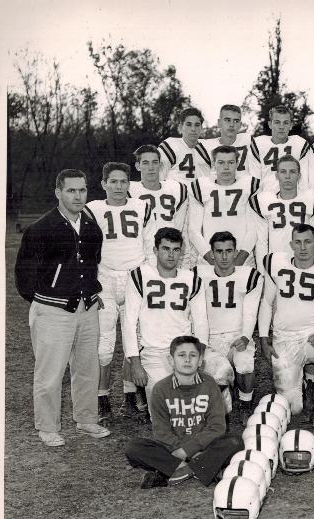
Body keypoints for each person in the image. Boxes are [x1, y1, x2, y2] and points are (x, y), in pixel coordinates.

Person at [14, 168, 111, 446]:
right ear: (58, 193)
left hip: (87, 307)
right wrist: (48, 301)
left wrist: (89, 291)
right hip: (53, 310)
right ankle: (47, 426)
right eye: (71, 190)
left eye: (82, 190)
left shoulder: (91, 226)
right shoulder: (41, 228)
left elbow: (92, 262)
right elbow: (24, 278)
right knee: (50, 372)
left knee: (87, 368)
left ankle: (86, 419)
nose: (78, 195)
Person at [125, 335, 242, 489]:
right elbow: (161, 431)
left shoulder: (210, 384)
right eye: (181, 355)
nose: (187, 360)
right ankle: (204, 468)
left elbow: (217, 427)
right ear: (171, 360)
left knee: (235, 442)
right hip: (174, 448)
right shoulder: (160, 389)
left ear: (200, 361)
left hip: (204, 446)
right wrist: (184, 451)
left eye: (193, 355)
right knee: (133, 447)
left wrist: (188, 450)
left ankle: (176, 470)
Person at [86, 162, 154, 420]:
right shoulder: (93, 209)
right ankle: (102, 395)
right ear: (103, 184)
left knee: (134, 342)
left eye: (123, 181)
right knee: (104, 345)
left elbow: (149, 246)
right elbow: (86, 248)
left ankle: (131, 390)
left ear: (130, 184)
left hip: (133, 280)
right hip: (104, 279)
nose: (118, 187)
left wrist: (146, 279)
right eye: (112, 181)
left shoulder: (141, 206)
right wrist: (91, 282)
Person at [258, 224, 314, 424]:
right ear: (291, 244)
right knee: (293, 409)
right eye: (298, 242)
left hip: (311, 335)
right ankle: (306, 382)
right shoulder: (276, 263)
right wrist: (263, 338)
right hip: (284, 338)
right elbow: (266, 302)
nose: (303, 247)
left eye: (308, 242)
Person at [123, 227, 210, 405]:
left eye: (176, 250)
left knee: (221, 375)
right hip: (153, 352)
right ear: (155, 250)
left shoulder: (192, 279)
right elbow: (129, 322)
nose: (171, 255)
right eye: (166, 249)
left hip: (184, 351)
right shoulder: (139, 275)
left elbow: (201, 321)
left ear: (182, 252)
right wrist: (135, 363)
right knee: (167, 402)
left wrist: (200, 355)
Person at [198, 231, 264, 419]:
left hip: (237, 334)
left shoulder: (249, 276)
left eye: (229, 251)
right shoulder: (197, 274)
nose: (224, 256)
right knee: (221, 374)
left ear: (236, 252)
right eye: (219, 252)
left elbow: (250, 311)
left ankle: (245, 403)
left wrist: (245, 336)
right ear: (211, 254)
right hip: (210, 338)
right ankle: (224, 392)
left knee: (245, 365)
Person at [249, 154, 314, 274]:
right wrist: (263, 273)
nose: (288, 176)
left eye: (292, 172)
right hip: (276, 263)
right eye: (283, 172)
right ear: (277, 175)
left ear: (299, 176)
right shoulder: (264, 201)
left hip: (305, 264)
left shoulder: (312, 199)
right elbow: (261, 242)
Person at [188, 145, 258, 267]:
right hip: (210, 260)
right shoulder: (201, 188)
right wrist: (212, 260)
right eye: (221, 162)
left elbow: (253, 230)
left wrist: (239, 260)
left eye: (231, 162)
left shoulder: (249, 186)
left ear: (237, 164)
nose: (226, 167)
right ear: (214, 164)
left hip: (242, 260)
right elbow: (194, 230)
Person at [128, 145, 190, 264]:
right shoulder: (130, 190)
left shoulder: (176, 189)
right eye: (145, 163)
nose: (151, 167)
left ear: (160, 165)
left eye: (155, 162)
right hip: (142, 254)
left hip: (170, 252)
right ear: (138, 166)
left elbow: (180, 225)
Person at [249, 105, 311, 193]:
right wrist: (258, 200)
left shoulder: (300, 144)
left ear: (290, 125)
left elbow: (304, 179)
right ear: (270, 124)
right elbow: (254, 178)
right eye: (277, 122)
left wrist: (301, 199)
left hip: (293, 197)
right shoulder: (258, 144)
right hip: (266, 197)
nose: (281, 127)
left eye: (285, 123)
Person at [158, 107, 212, 184]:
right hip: (177, 194)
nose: (193, 129)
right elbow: (158, 178)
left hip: (203, 194)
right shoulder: (171, 146)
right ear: (180, 127)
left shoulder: (209, 147)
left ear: (201, 128)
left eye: (197, 125)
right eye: (188, 124)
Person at [201, 104, 253, 177]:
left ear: (240, 125)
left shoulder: (248, 140)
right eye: (227, 120)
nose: (231, 124)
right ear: (219, 123)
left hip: (244, 186)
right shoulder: (207, 146)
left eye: (236, 121)